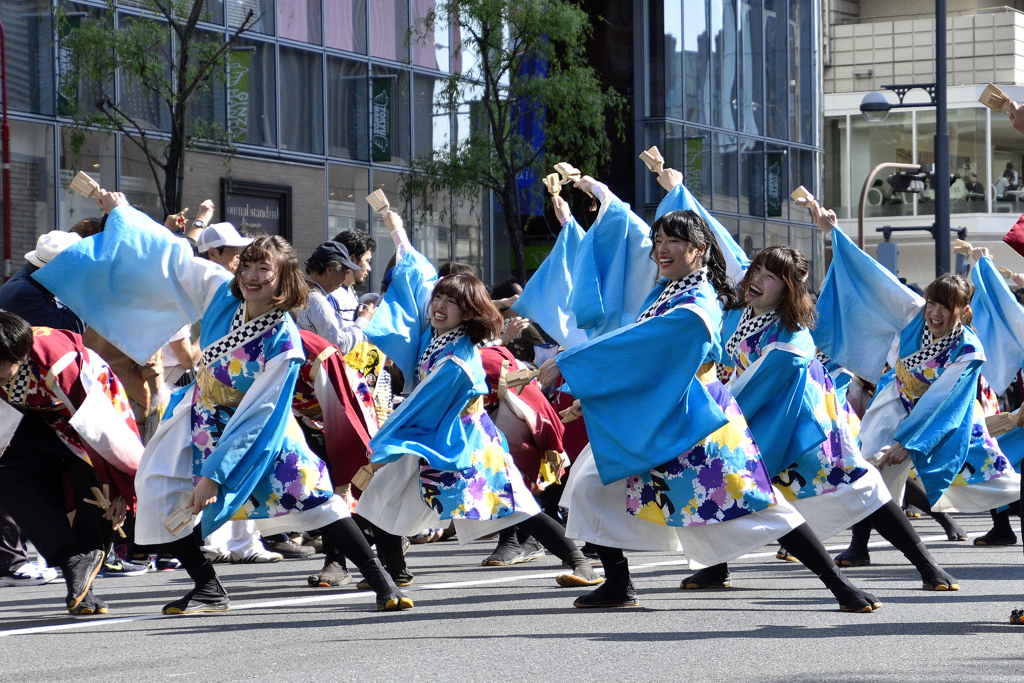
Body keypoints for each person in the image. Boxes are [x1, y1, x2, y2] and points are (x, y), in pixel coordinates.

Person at [36, 190, 412, 614]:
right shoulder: (221, 293)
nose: (250, 276)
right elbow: (172, 257)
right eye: (246, 265)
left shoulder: (284, 342)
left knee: (317, 500)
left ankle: (381, 580)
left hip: (262, 429)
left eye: (263, 270)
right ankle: (208, 587)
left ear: (284, 277)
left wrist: (214, 476)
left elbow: (260, 413)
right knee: (155, 485)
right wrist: (122, 212)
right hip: (199, 411)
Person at [553, 176, 879, 612]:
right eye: (657, 241)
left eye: (672, 241)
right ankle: (619, 583)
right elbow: (644, 353)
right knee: (589, 483)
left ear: (699, 249)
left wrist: (572, 362)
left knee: (758, 505)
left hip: (695, 421)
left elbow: (649, 344)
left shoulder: (697, 301)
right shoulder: (668, 290)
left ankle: (840, 585)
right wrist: (592, 394)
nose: (660, 249)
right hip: (661, 412)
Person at [353, 209, 601, 589]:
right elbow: (416, 278)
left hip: (465, 443)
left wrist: (390, 434)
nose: (438, 306)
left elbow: (426, 400)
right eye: (438, 298)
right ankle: (395, 570)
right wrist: (397, 231)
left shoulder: (460, 357)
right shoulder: (432, 336)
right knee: (381, 498)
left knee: (516, 508)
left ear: (467, 314)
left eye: (450, 302)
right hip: (434, 439)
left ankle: (579, 560)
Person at [718, 244, 958, 591]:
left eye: (770, 277)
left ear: (788, 290)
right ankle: (715, 567)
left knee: (862, 488)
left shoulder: (791, 334)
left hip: (805, 431)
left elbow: (770, 378)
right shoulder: (741, 313)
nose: (756, 280)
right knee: (721, 488)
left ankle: (925, 563)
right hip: (756, 424)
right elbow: (722, 246)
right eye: (756, 270)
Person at [809, 201, 1020, 572]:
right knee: (869, 470)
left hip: (949, 420)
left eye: (946, 308)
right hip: (896, 400)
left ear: (964, 313)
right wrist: (832, 233)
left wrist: (908, 442)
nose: (936, 313)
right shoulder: (913, 313)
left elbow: (943, 402)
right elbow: (874, 278)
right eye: (933, 304)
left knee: (992, 479)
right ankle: (860, 546)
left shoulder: (969, 350)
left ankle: (1003, 521)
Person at [0, 311, 143, 614]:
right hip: (38, 421)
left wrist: (122, 487)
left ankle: (82, 590)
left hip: (91, 416)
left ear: (21, 354)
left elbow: (102, 430)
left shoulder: (59, 361)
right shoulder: (7, 362)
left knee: (96, 497)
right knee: (8, 478)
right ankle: (69, 561)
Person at [295, 241, 376, 353]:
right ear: (330, 269)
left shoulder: (301, 291)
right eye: (345, 271)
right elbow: (339, 345)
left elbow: (334, 336)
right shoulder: (316, 300)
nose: (345, 277)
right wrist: (362, 322)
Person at [330, 229, 376, 323]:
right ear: (352, 259)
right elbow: (334, 336)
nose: (369, 268)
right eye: (367, 261)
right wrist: (362, 320)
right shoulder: (330, 294)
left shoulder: (350, 291)